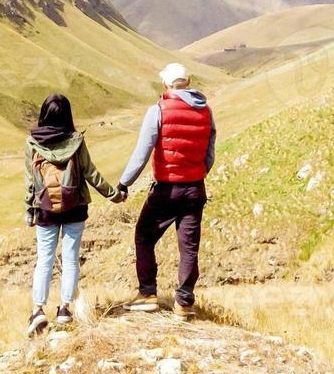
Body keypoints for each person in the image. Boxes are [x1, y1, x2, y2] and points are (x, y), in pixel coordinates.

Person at [118, 63, 216, 320]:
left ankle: (148, 293)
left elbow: (142, 153)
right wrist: (199, 172)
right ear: (189, 81)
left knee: (144, 236)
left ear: (165, 84)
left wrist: (124, 183)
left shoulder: (158, 110)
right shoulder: (206, 110)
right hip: (195, 188)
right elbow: (210, 151)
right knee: (189, 248)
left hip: (166, 189)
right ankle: (184, 303)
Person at [24, 93, 124, 336]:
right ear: (68, 115)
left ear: (44, 114)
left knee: (44, 258)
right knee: (70, 259)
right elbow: (90, 172)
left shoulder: (32, 143)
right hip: (75, 206)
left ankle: (38, 311)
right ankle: (65, 310)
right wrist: (113, 194)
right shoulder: (76, 141)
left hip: (45, 209)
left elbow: (30, 179)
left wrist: (30, 208)